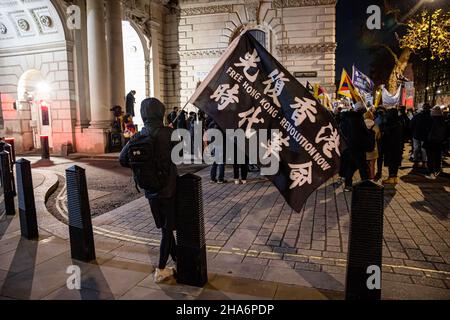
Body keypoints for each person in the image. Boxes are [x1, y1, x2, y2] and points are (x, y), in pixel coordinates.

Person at [119, 98, 178, 283]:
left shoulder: (138, 136)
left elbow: (122, 159)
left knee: (165, 227)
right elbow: (181, 154)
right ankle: (161, 269)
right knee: (167, 230)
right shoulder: (168, 133)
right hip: (168, 189)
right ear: (160, 112)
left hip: (150, 189)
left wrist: (141, 168)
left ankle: (177, 259)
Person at [339, 103, 371, 191]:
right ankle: (365, 185)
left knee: (351, 166)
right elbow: (363, 133)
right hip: (358, 146)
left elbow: (343, 131)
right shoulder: (358, 119)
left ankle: (348, 185)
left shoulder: (347, 118)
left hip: (350, 146)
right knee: (362, 167)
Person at [382, 108, 404, 185]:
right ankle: (394, 177)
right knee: (396, 162)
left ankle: (391, 178)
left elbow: (386, 135)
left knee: (391, 162)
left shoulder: (389, 124)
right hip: (398, 146)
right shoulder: (399, 123)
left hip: (390, 146)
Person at [424, 106, 448, 179]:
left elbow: (427, 131)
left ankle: (431, 172)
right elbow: (446, 133)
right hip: (440, 142)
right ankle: (437, 170)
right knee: (438, 157)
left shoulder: (431, 121)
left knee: (430, 157)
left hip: (431, 142)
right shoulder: (443, 121)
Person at [410, 103, 432, 168]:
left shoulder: (418, 115)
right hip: (422, 135)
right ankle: (422, 162)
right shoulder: (429, 116)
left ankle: (418, 162)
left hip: (418, 135)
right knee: (422, 149)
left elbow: (411, 124)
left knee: (418, 149)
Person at [204, 118, 227, 184]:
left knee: (214, 162)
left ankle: (212, 178)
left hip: (212, 144)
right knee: (220, 162)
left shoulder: (211, 124)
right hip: (220, 144)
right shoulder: (221, 124)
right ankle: (220, 179)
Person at [364, 112, 381, 180]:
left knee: (365, 165)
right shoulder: (375, 125)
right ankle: (372, 178)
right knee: (372, 165)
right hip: (373, 148)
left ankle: (365, 178)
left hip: (364, 149)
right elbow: (378, 136)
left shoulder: (362, 125)